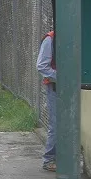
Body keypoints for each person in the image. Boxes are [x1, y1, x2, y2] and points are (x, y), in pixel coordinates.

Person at [37, 29, 57, 171]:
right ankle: (49, 159)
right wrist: (64, 76)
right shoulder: (50, 39)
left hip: (71, 86)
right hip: (55, 87)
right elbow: (42, 66)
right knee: (56, 124)